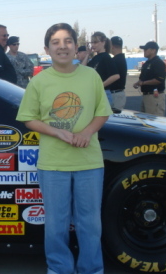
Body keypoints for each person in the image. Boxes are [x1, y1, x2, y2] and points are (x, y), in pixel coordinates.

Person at [16, 23, 112, 274]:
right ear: (47, 49)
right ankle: (59, 268)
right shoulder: (38, 81)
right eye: (56, 42)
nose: (62, 46)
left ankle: (92, 269)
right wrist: (57, 131)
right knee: (56, 224)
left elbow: (102, 112)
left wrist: (86, 132)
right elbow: (29, 118)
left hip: (89, 163)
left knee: (89, 224)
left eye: (68, 41)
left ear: (75, 46)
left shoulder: (91, 77)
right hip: (52, 164)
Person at [86, 31, 120, 108]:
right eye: (92, 43)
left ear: (103, 42)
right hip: (95, 94)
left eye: (95, 42)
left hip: (103, 94)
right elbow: (83, 69)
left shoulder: (106, 57)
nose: (93, 45)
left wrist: (100, 85)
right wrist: (87, 54)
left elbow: (116, 76)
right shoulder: (95, 58)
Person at [133, 41, 166, 116]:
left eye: (146, 49)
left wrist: (143, 83)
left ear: (153, 50)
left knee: (154, 121)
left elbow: (159, 80)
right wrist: (138, 83)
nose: (144, 51)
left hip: (154, 96)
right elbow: (142, 78)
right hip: (146, 96)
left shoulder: (158, 63)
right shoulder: (146, 63)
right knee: (145, 120)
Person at [109, 36, 127, 111]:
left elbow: (115, 77)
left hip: (115, 94)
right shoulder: (121, 59)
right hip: (117, 94)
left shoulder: (115, 61)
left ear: (112, 46)